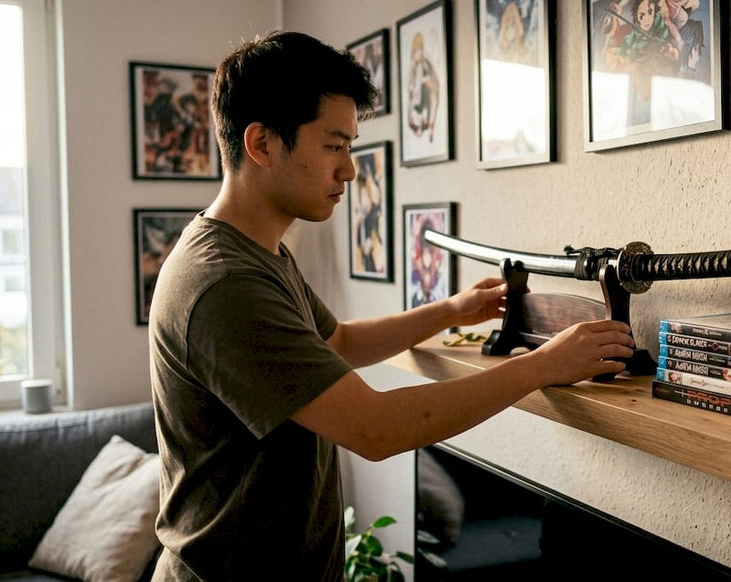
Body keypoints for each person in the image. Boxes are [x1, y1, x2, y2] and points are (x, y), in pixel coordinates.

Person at [147, 30, 634, 581]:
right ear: (261, 144)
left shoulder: (258, 253)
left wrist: (447, 311)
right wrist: (543, 365)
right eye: (333, 146)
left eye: (349, 147)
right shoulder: (225, 282)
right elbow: (375, 429)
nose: (350, 171)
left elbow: (340, 343)